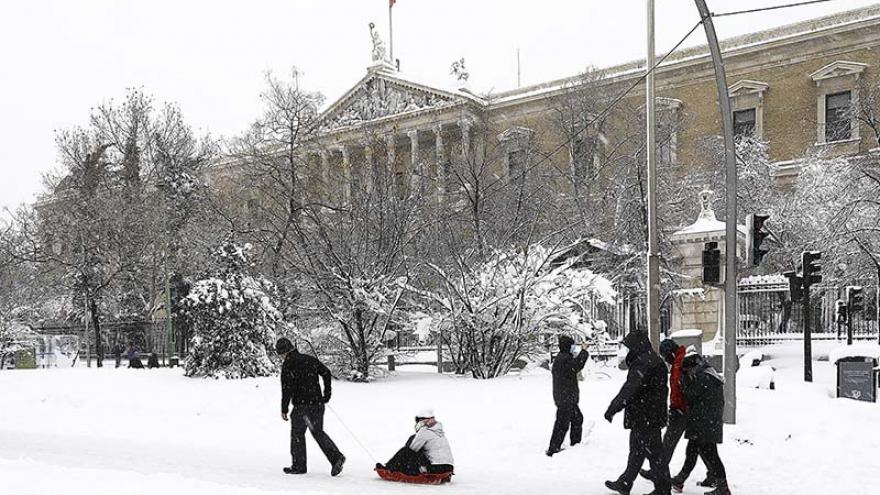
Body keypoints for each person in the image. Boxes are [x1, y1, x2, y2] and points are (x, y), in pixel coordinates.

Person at [604, 330, 671, 495]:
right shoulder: (653, 360)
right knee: (638, 451)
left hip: (645, 416)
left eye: (628, 347)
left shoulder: (644, 363)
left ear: (636, 346)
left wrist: (613, 408)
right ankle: (625, 482)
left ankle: (662, 489)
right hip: (649, 415)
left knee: (654, 454)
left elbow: (629, 390)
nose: (627, 351)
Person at [277, 337, 345, 477]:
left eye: (280, 354)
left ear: (284, 352)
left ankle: (299, 466)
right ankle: (336, 457)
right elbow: (326, 372)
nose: (281, 357)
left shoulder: (288, 365)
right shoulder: (309, 359)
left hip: (303, 408)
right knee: (318, 432)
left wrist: (284, 408)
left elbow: (286, 389)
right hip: (317, 404)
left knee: (297, 434)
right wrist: (326, 394)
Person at [640, 339, 701, 493]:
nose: (665, 360)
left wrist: (676, 407)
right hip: (688, 410)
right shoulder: (680, 359)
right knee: (699, 445)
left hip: (682, 411)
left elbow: (680, 389)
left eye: (665, 356)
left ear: (670, 352)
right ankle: (714, 475)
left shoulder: (679, 363)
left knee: (668, 442)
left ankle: (658, 471)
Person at [674, 349, 731, 495]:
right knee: (695, 452)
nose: (688, 373)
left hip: (703, 424)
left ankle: (723, 488)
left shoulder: (702, 379)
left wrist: (684, 380)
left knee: (709, 455)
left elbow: (689, 395)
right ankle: (681, 480)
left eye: (688, 370)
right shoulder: (709, 375)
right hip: (706, 423)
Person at [547, 334, 590, 456]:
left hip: (566, 397)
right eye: (572, 346)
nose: (574, 348)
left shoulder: (563, 358)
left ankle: (575, 444)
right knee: (562, 423)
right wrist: (584, 352)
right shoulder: (563, 359)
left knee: (577, 419)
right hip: (566, 398)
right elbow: (576, 366)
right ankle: (553, 448)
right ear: (567, 347)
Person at [377, 408, 454, 476]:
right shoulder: (439, 432)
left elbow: (412, 450)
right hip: (448, 467)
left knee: (405, 451)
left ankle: (389, 468)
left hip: (435, 467)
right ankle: (395, 467)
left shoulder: (424, 431)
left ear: (421, 421)